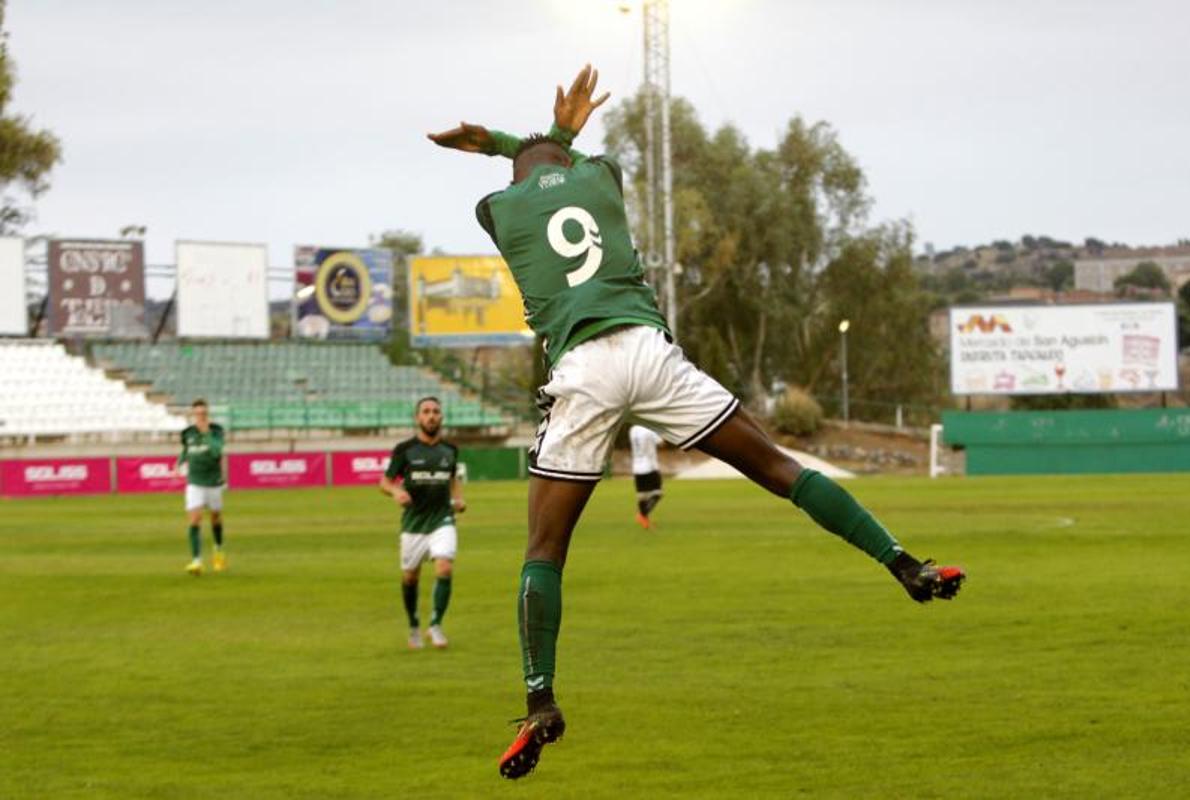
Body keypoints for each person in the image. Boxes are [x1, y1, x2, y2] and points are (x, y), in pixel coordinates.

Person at [429, 64, 966, 780]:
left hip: (582, 371)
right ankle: (906, 565)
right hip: (649, 351)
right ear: (571, 157)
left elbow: (528, 174)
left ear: (512, 173)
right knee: (782, 469)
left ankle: (540, 700)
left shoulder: (496, 210)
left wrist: (502, 143)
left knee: (544, 549)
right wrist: (554, 136)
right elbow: (567, 164)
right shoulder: (602, 176)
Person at [378, 396, 466, 650]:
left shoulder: (450, 450)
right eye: (426, 412)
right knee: (410, 578)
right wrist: (396, 493)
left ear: (441, 417)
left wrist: (458, 499)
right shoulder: (405, 450)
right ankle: (414, 625)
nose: (431, 416)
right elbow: (384, 482)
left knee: (445, 568)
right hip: (414, 523)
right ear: (418, 418)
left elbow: (453, 479)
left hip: (442, 520)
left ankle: (435, 625)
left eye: (436, 411)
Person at [178, 398, 226, 576]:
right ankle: (196, 561)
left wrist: (206, 434)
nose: (200, 416)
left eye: (203, 413)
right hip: (194, 482)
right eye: (197, 414)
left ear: (208, 414)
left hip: (213, 481)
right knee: (194, 519)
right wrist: (179, 463)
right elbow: (185, 451)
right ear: (193, 414)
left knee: (215, 518)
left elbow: (216, 452)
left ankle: (218, 549)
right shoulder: (187, 433)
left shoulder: (216, 431)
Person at [628, 424, 664, 529]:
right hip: (650, 467)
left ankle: (645, 521)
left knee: (642, 496)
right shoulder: (650, 430)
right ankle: (642, 515)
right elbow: (661, 443)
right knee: (657, 494)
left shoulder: (633, 429)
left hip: (636, 467)